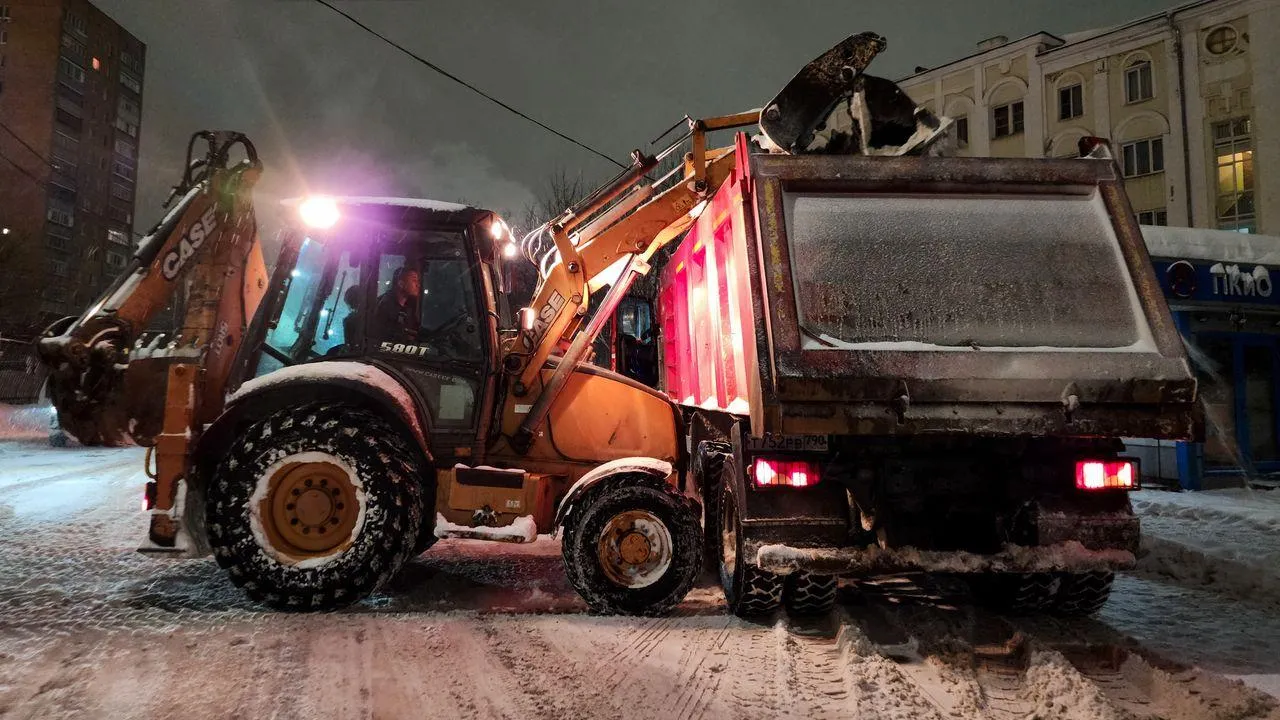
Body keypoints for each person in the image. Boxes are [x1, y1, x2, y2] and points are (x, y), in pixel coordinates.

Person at [370, 266, 421, 342]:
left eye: (418, 281)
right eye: (414, 280)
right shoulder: (384, 307)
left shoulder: (409, 307)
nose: (418, 285)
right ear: (401, 284)